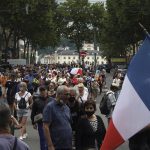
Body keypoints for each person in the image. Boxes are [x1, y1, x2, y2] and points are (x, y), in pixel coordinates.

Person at [43, 85, 72, 150]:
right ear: (59, 94)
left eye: (69, 94)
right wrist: (50, 145)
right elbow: (45, 127)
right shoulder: (50, 107)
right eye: (66, 94)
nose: (68, 96)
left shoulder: (66, 108)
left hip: (67, 145)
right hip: (56, 145)